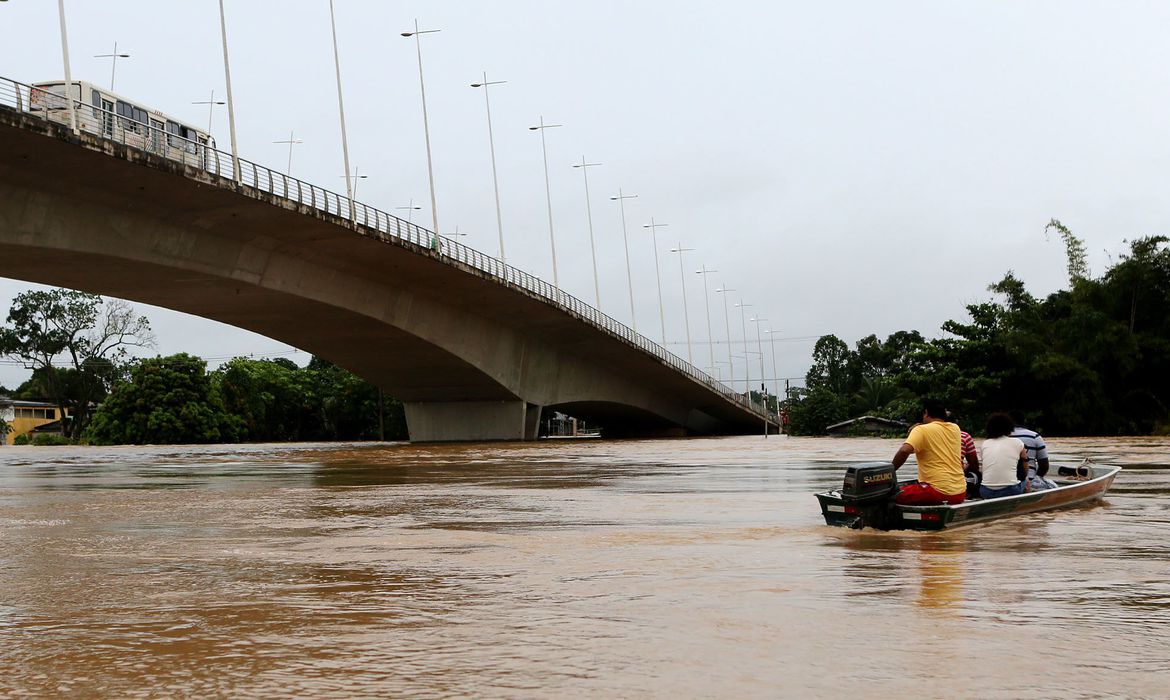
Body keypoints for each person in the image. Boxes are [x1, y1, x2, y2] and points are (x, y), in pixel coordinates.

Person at [890, 398, 968, 505]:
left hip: (937, 492)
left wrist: (889, 471)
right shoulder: (955, 429)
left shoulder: (921, 430)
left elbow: (904, 451)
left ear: (926, 413)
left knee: (890, 494)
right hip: (960, 493)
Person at [979, 413, 1029, 499]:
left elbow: (984, 468)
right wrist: (1026, 479)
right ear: (1009, 428)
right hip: (1010, 491)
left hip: (985, 491)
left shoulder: (985, 444)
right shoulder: (1017, 442)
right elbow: (1025, 465)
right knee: (1026, 480)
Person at [1009, 410, 1056, 491]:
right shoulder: (1034, 436)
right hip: (1029, 482)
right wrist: (1035, 479)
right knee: (1053, 486)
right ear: (1024, 421)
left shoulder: (1000, 438)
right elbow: (1044, 466)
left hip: (1005, 483)